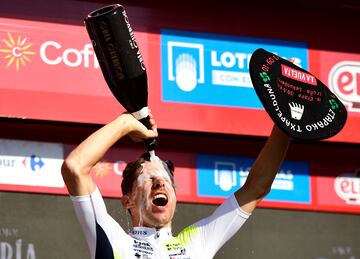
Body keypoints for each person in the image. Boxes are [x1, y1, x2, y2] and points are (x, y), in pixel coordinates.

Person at [61, 111, 291, 259]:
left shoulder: (197, 242)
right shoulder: (114, 240)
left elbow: (256, 188)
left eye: (165, 180)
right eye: (148, 180)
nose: (160, 181)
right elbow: (75, 167)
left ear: (175, 197)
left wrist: (285, 123)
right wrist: (124, 123)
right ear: (127, 200)